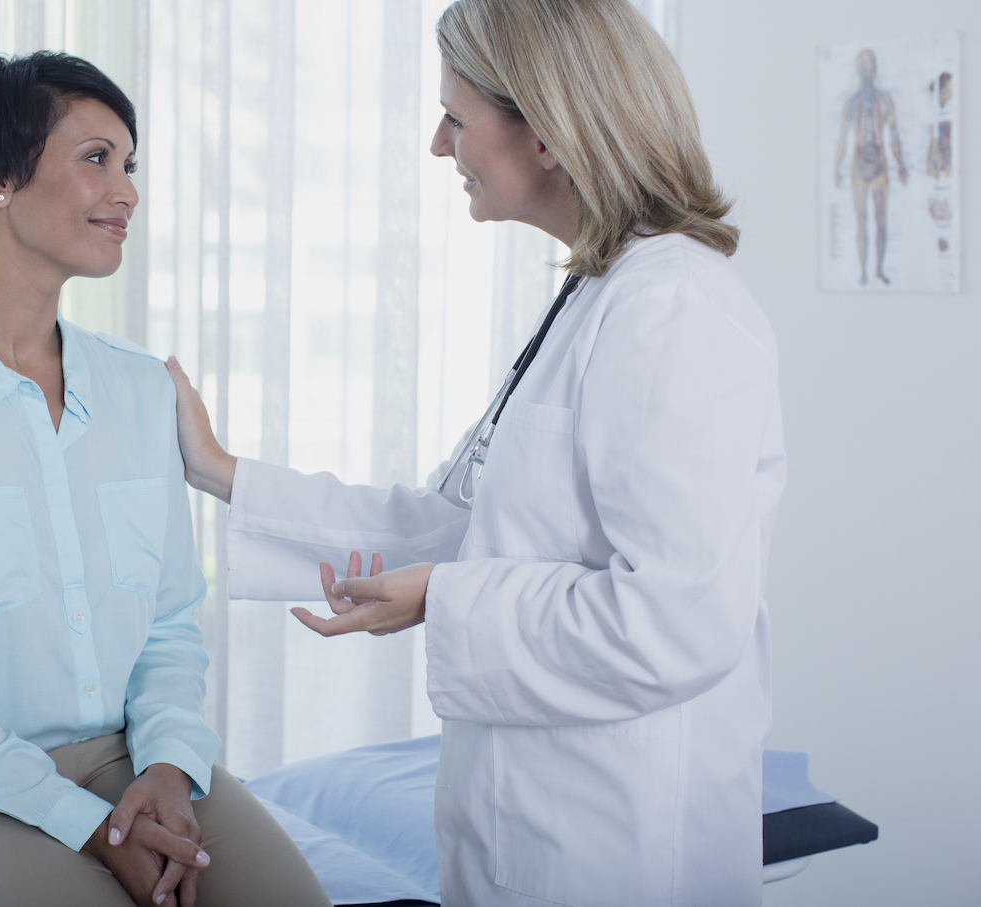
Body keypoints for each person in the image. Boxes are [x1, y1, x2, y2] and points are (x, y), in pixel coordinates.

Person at [168, 2, 784, 905]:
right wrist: (217, 469)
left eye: (456, 117)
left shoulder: (673, 310)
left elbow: (674, 619)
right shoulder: (594, 293)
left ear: (545, 133)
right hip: (530, 827)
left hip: (624, 844)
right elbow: (455, 520)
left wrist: (445, 597)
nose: (436, 145)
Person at [0, 52, 330, 907]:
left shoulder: (135, 388)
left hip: (124, 753)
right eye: (96, 160)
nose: (125, 191)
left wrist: (165, 767)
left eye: (129, 165)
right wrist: (83, 823)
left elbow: (165, 625)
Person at [834, 48, 908, 285]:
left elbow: (894, 134)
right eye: (865, 62)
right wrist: (837, 167)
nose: (870, 66)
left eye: (872, 62)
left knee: (881, 220)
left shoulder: (884, 99)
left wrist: (901, 164)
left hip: (879, 166)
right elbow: (843, 138)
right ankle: (864, 272)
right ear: (859, 68)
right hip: (858, 167)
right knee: (862, 222)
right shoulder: (852, 102)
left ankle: (878, 269)